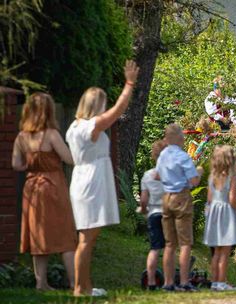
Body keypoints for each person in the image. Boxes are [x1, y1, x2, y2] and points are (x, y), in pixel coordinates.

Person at [66, 60, 139, 297]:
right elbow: (117, 112)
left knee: (88, 238)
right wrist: (129, 84)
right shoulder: (90, 126)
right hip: (90, 181)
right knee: (86, 239)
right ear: (95, 105)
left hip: (83, 179)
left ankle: (85, 286)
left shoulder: (75, 127)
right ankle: (79, 288)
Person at [11, 93, 77, 291]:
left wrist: (29, 165)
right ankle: (75, 283)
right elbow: (69, 159)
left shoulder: (21, 136)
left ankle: (41, 283)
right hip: (52, 186)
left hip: (32, 188)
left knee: (38, 235)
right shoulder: (51, 134)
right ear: (48, 111)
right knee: (65, 234)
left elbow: (16, 165)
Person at [156, 124, 204, 292]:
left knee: (169, 244)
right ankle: (184, 282)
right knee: (185, 243)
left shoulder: (162, 155)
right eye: (182, 136)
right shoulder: (183, 156)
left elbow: (157, 175)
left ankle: (168, 283)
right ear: (177, 138)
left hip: (166, 197)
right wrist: (199, 171)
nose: (184, 139)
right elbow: (193, 182)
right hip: (181, 197)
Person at [203, 145, 236, 291]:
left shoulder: (212, 177)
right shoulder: (232, 177)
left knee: (216, 252)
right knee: (225, 252)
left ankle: (214, 282)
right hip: (226, 213)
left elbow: (209, 199)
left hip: (214, 212)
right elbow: (232, 199)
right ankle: (222, 282)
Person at [139, 139, 167, 291]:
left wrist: (144, 210)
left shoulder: (147, 175)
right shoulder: (171, 175)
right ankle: (169, 282)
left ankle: (150, 282)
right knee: (170, 247)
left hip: (154, 214)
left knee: (155, 248)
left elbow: (144, 199)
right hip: (169, 214)